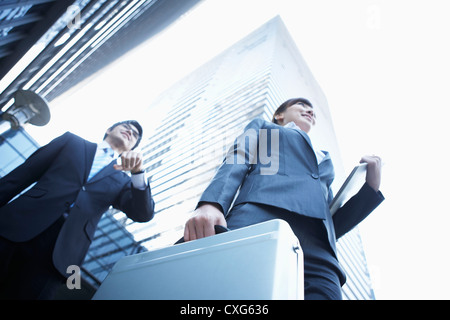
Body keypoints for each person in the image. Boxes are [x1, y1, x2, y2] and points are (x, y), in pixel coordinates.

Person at [184, 98, 384, 300]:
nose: (310, 111)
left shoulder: (325, 159)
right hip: (260, 218)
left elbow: (331, 222)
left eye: (313, 111)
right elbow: (239, 156)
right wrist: (212, 203)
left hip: (319, 252)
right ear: (280, 114)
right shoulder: (265, 127)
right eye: (302, 106)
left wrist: (370, 190)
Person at [0, 120, 155, 299]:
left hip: (59, 254)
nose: (131, 131)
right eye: (126, 126)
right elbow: (21, 175)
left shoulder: (123, 181)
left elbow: (143, 214)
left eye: (135, 135)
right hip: (16, 225)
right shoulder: (71, 142)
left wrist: (138, 173)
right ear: (109, 129)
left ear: (131, 149)